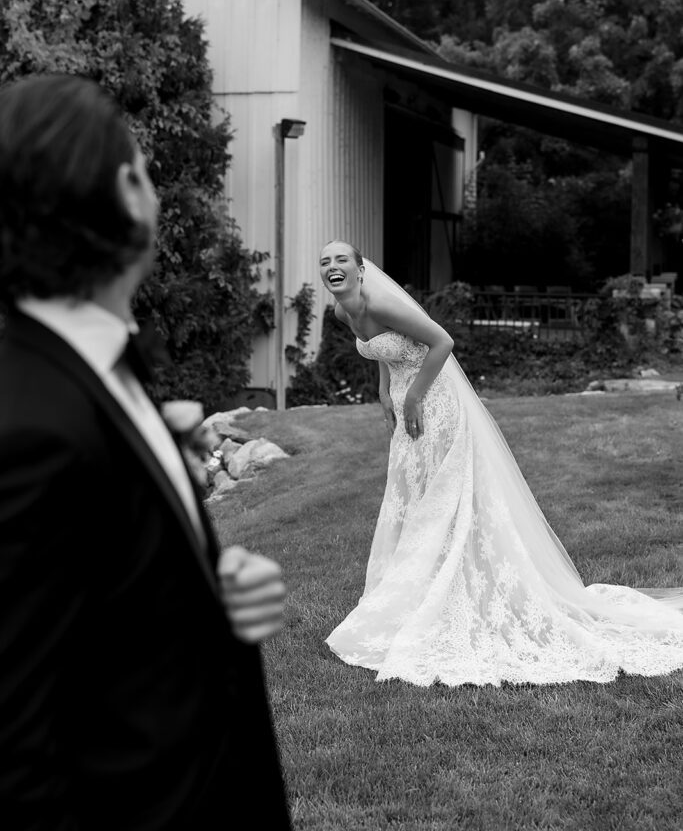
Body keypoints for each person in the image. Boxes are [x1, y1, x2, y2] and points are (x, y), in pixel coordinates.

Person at [0, 75, 291, 830]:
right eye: (145, 170)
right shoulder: (30, 430)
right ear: (126, 190)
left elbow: (99, 615)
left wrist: (212, 602)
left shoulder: (88, 376)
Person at [319, 239, 683, 687]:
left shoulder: (384, 302)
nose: (332, 266)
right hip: (407, 410)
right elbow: (379, 348)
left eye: (341, 260)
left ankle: (461, 591)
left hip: (436, 405)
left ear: (359, 270)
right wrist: (383, 390)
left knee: (445, 500)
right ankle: (421, 590)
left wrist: (412, 396)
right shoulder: (342, 312)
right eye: (324, 262)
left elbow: (441, 342)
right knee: (414, 499)